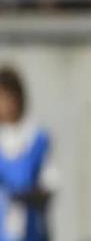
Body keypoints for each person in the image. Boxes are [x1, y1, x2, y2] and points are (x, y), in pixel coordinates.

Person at [0, 66, 57, 241]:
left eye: (4, 97)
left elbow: (50, 185)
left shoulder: (37, 138)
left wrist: (25, 195)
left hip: (33, 232)